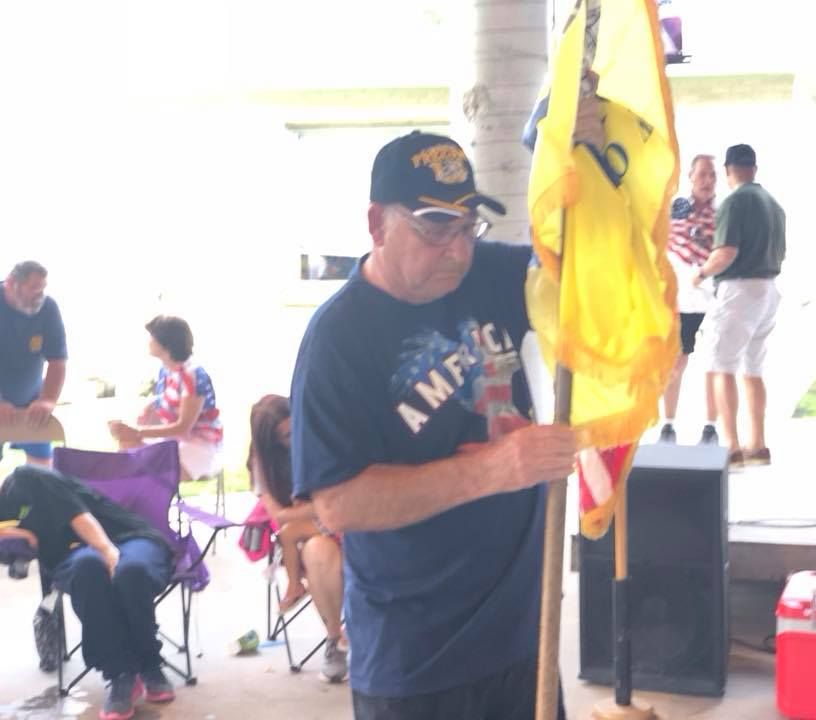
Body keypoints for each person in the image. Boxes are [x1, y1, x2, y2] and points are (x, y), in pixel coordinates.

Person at [291, 131, 578, 719]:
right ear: (377, 223)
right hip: (418, 665)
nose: (456, 250)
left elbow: (582, 268)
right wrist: (494, 469)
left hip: (527, 639)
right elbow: (339, 504)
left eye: (467, 226)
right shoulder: (338, 338)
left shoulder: (488, 276)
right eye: (434, 227)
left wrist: (583, 160)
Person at [0, 465, 176, 720]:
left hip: (128, 537)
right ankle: (119, 675)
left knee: (130, 570)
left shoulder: (24, 478)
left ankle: (150, 665)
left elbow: (77, 513)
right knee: (87, 569)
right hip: (74, 555)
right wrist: (17, 532)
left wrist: (108, 551)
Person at [693, 144, 786, 467]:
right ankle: (758, 444)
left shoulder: (734, 201)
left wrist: (700, 273)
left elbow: (726, 253)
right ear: (754, 169)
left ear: (728, 171)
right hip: (769, 290)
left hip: (738, 291)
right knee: (753, 369)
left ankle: (731, 447)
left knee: (722, 367)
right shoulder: (774, 204)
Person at [247, 394, 348, 682]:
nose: (294, 438)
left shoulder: (323, 437)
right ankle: (335, 640)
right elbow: (277, 516)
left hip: (348, 525)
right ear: (270, 443)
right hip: (311, 538)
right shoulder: (263, 463)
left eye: (296, 429)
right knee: (316, 551)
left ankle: (355, 632)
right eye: (285, 436)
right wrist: (314, 508)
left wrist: (312, 509)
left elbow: (343, 500)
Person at [108, 316, 222, 482]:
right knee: (127, 442)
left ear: (166, 343)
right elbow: (163, 407)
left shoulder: (193, 375)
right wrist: (139, 420)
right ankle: (136, 502)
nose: (149, 341)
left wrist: (138, 432)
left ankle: (142, 502)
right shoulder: (166, 371)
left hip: (198, 447)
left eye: (152, 337)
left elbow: (183, 428)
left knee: (136, 467)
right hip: (174, 442)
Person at [660, 154, 720, 445]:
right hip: (681, 299)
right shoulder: (677, 207)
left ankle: (710, 427)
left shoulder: (723, 212)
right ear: (691, 178)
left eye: (712, 175)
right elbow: (662, 243)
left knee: (714, 363)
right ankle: (667, 425)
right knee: (676, 362)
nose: (707, 181)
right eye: (702, 175)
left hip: (713, 297)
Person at [0, 261, 67, 467]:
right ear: (11, 283)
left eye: (43, 289)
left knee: (41, 470)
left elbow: (58, 360)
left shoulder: (48, 307)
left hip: (31, 405)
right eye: (34, 289)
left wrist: (47, 400)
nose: (40, 295)